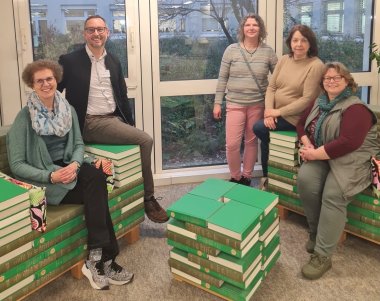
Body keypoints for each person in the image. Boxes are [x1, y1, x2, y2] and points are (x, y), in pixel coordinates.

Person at [7, 60, 134, 290]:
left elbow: (77, 143)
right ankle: (106, 258)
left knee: (95, 178)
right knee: (95, 188)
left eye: (50, 79)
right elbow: (17, 165)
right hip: (45, 178)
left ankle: (96, 258)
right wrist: (51, 177)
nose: (46, 84)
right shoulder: (24, 118)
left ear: (56, 80)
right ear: (32, 85)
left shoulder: (68, 110)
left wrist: (75, 165)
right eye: (40, 80)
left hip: (70, 169)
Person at [57, 15, 168, 223]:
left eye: (100, 29)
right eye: (91, 30)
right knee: (146, 140)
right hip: (89, 122)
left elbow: (122, 96)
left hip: (113, 119)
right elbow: (54, 91)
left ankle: (140, 195)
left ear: (107, 32)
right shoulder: (70, 61)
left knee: (139, 139)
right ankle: (148, 198)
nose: (96, 34)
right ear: (84, 34)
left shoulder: (113, 61)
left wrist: (130, 125)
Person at [296, 62, 379, 280]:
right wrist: (307, 145)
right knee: (306, 180)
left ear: (347, 82)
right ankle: (316, 233)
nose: (331, 81)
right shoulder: (319, 102)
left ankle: (323, 255)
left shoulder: (356, 108)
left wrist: (314, 154)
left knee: (334, 194)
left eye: (337, 78)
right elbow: (299, 124)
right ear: (322, 83)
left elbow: (348, 142)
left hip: (352, 158)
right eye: (327, 78)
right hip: (323, 154)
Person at [253, 24, 325, 189]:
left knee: (259, 129)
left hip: (296, 117)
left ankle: (270, 177)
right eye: (295, 40)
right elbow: (271, 88)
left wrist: (278, 112)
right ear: (290, 42)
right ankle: (268, 178)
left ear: (310, 44)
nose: (299, 44)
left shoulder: (315, 65)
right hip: (277, 115)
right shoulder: (285, 59)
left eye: (303, 40)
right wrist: (269, 113)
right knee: (266, 135)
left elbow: (307, 99)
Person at [213, 13, 277, 186]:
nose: (251, 28)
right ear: (242, 29)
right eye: (247, 25)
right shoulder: (231, 50)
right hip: (234, 104)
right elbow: (222, 78)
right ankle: (235, 176)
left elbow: (278, 79)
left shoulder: (268, 52)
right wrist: (217, 102)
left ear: (260, 29)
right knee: (232, 144)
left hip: (257, 104)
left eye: (255, 25)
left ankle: (246, 177)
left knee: (251, 142)